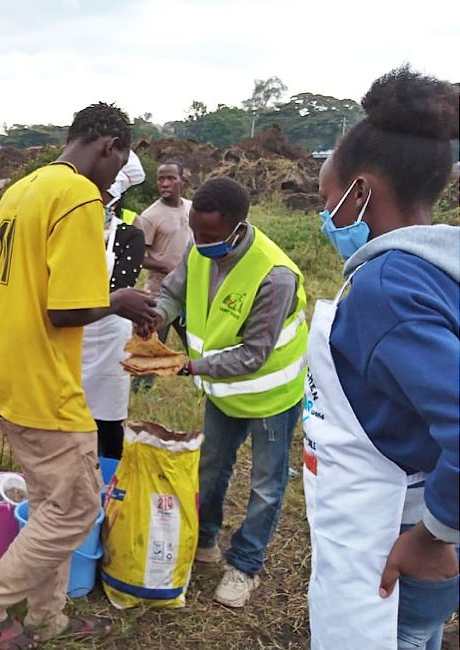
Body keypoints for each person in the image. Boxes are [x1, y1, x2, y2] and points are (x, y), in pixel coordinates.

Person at [0, 102, 158, 650]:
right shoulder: (79, 196)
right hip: (47, 380)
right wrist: (122, 299)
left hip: (6, 371)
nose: (115, 181)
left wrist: (23, 304)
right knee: (78, 506)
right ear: (109, 145)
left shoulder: (21, 191)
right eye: (120, 165)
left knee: (50, 503)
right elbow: (68, 310)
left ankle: (48, 619)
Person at [303, 66, 459, 650]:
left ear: (360, 191)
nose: (326, 218)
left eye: (327, 201)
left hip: (396, 534)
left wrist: (434, 533)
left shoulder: (388, 288)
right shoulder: (435, 267)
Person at [139, 176, 308, 608]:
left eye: (210, 236)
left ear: (238, 227)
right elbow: (173, 292)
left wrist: (187, 365)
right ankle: (206, 540)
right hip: (223, 391)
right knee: (211, 468)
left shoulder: (274, 276)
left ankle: (245, 565)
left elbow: (254, 354)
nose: (200, 242)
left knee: (268, 484)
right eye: (195, 232)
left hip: (270, 395)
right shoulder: (200, 248)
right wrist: (155, 318)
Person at [82, 151, 146, 459]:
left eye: (105, 197)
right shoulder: (71, 232)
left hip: (110, 336)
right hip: (70, 329)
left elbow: (120, 289)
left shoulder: (130, 236)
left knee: (108, 421)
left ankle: (109, 484)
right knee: (70, 418)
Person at [131, 160, 192, 390]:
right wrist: (162, 264)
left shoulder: (191, 208)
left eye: (170, 178)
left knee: (197, 344)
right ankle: (141, 391)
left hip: (190, 293)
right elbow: (137, 256)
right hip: (161, 294)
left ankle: (209, 386)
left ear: (182, 180)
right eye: (160, 179)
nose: (165, 183)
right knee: (151, 347)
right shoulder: (150, 216)